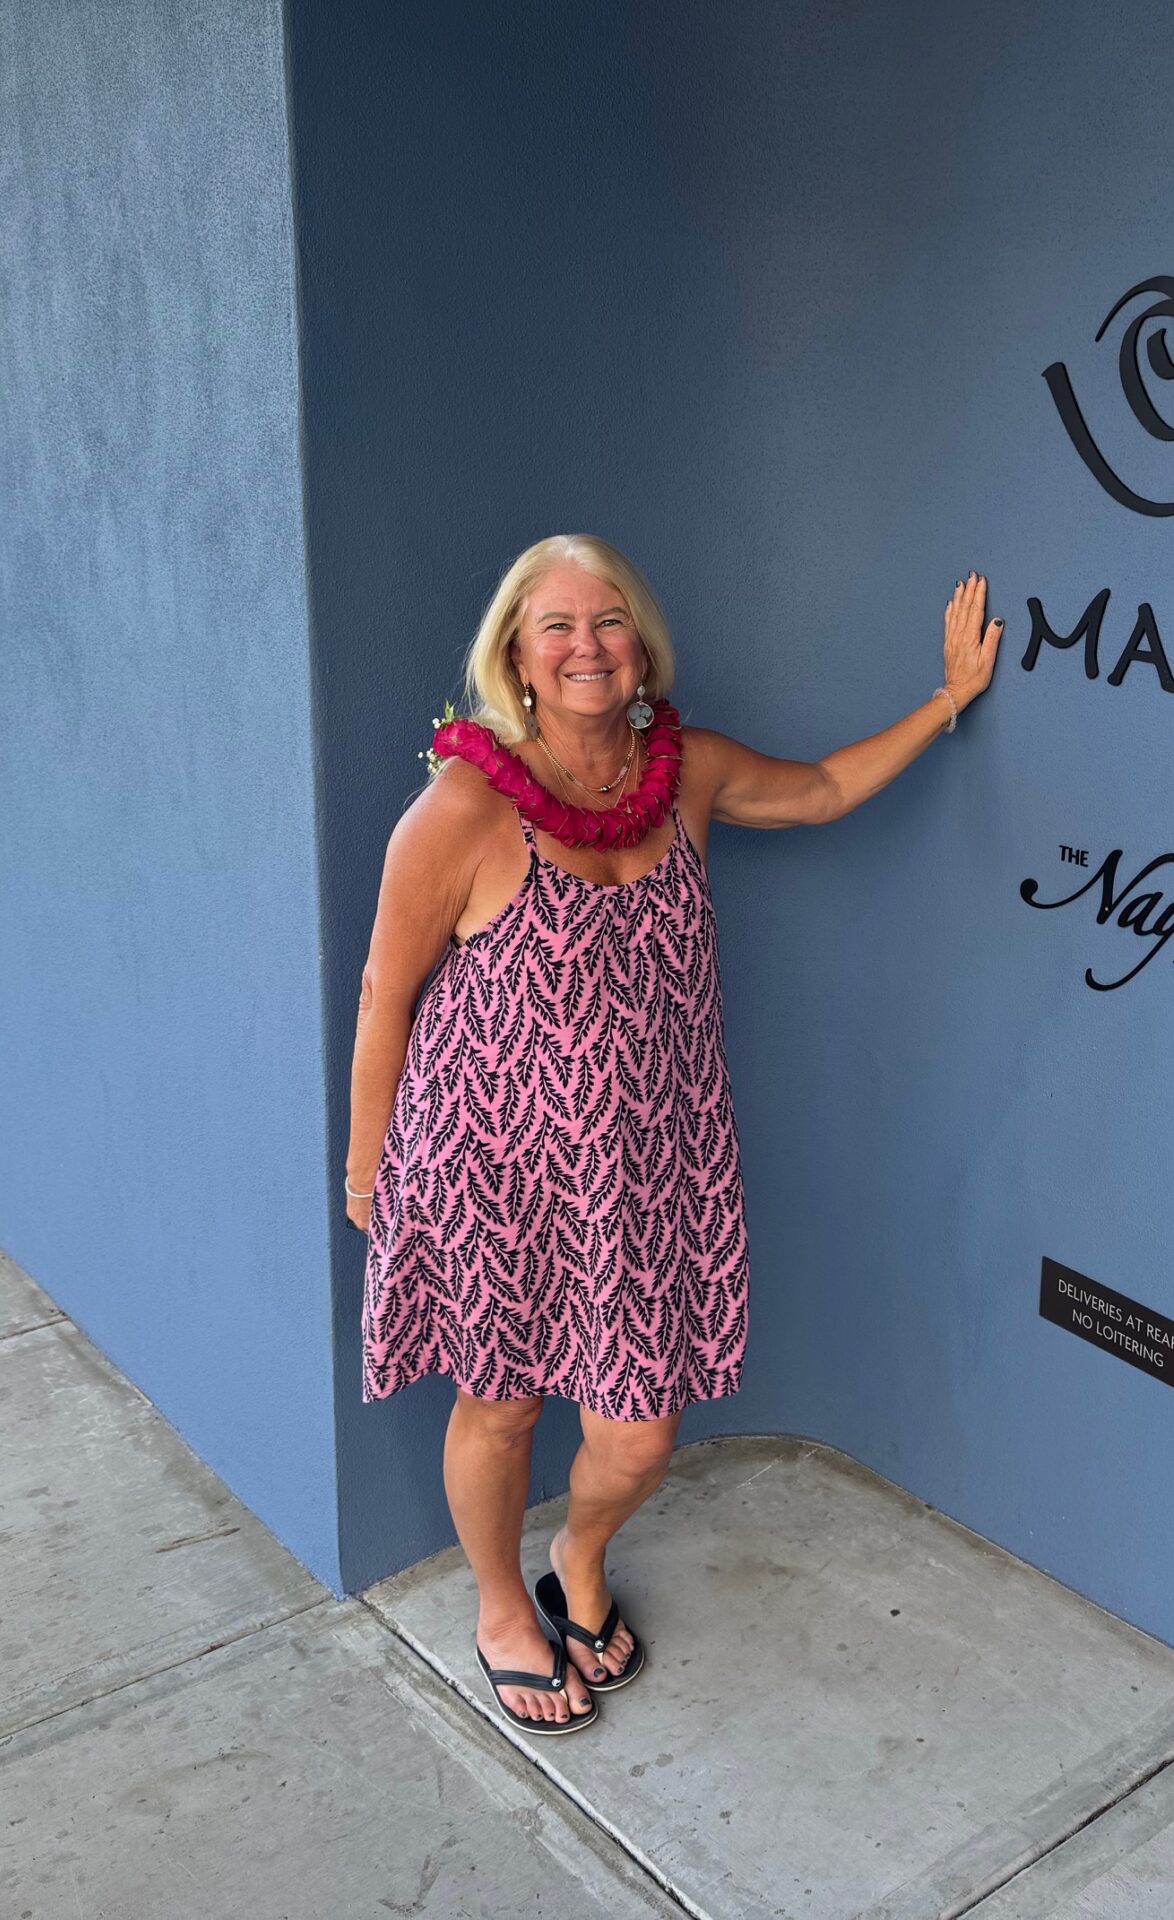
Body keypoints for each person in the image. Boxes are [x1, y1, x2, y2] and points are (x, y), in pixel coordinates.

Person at [344, 534, 1003, 1734]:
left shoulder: (685, 770)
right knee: (499, 1405)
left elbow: (819, 790)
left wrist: (947, 703)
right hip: (492, 1165)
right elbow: (386, 992)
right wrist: (365, 1169)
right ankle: (503, 1609)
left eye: (609, 623)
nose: (586, 645)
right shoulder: (458, 810)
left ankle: (577, 1559)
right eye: (558, 626)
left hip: (647, 1167)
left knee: (637, 1432)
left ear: (640, 647)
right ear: (516, 659)